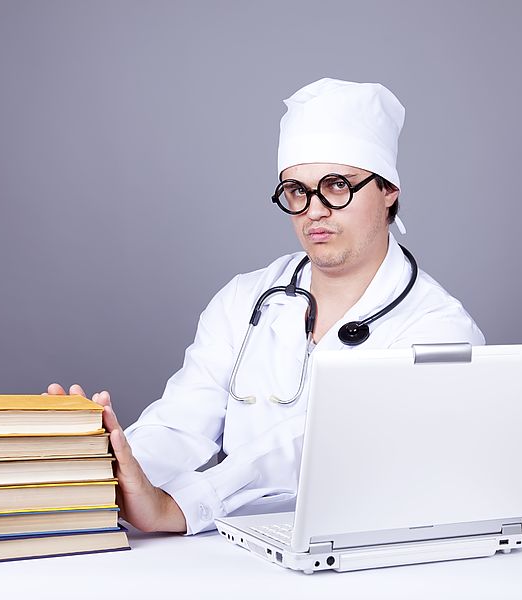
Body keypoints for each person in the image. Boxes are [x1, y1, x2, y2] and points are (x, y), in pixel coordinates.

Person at [46, 78, 485, 535]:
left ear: (389, 188)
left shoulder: (440, 332)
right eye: (296, 190)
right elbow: (180, 425)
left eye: (336, 186)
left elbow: (318, 443)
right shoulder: (244, 299)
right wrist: (109, 463)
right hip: (232, 556)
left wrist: (177, 505)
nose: (314, 210)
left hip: (368, 563)